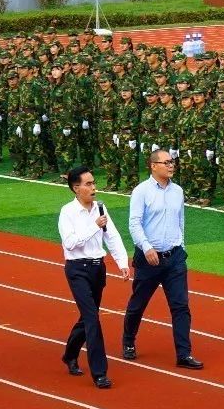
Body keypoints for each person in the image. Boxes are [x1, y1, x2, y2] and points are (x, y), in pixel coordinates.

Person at [122, 148, 203, 369]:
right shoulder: (141, 191)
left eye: (172, 161)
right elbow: (134, 223)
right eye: (166, 162)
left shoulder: (178, 191)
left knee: (181, 306)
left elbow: (181, 221)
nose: (171, 165)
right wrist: (147, 247)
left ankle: (183, 354)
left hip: (174, 258)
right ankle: (128, 341)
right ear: (153, 165)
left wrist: (182, 246)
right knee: (138, 304)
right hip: (149, 259)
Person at [59, 165, 131, 388]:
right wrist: (93, 226)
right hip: (77, 269)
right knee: (91, 318)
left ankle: (70, 354)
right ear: (76, 188)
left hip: (97, 268)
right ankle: (100, 372)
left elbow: (112, 235)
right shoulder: (67, 212)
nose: (93, 188)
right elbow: (70, 243)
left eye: (93, 183)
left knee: (88, 316)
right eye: (88, 184)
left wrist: (122, 262)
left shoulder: (100, 207)